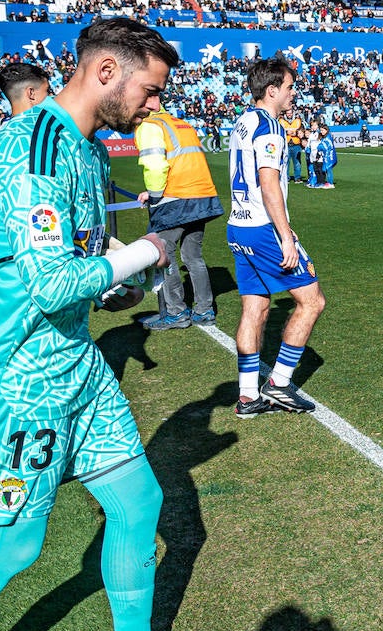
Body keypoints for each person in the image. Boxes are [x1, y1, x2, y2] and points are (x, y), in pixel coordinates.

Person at [0, 18, 227, 631]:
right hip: (19, 380)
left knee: (138, 501)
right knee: (11, 547)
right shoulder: (30, 149)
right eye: (150, 92)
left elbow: (77, 268)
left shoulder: (90, 152)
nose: (155, 106)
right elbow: (48, 282)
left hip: (76, 367)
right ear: (106, 72)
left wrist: (116, 282)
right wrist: (150, 250)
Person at [228, 59, 324, 418]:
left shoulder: (242, 121)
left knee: (255, 307)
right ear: (271, 90)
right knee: (312, 301)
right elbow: (268, 183)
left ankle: (248, 395)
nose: (293, 92)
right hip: (263, 228)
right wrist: (285, 234)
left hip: (238, 225)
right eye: (288, 87)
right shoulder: (269, 126)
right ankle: (280, 383)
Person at [134, 105, 225, 330]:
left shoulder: (150, 126)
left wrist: (154, 196)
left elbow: (156, 167)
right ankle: (204, 310)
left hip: (177, 198)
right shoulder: (181, 123)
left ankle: (176, 313)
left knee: (165, 254)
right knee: (193, 256)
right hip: (202, 196)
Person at [279, 105, 305, 183]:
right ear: (285, 113)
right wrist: (287, 132)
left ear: (293, 113)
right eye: (288, 113)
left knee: (297, 162)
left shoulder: (298, 120)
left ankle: (297, 178)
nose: (289, 114)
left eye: (290, 113)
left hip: (296, 144)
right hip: (286, 144)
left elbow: (302, 130)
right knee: (286, 163)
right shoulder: (281, 121)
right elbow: (279, 130)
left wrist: (296, 133)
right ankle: (286, 178)